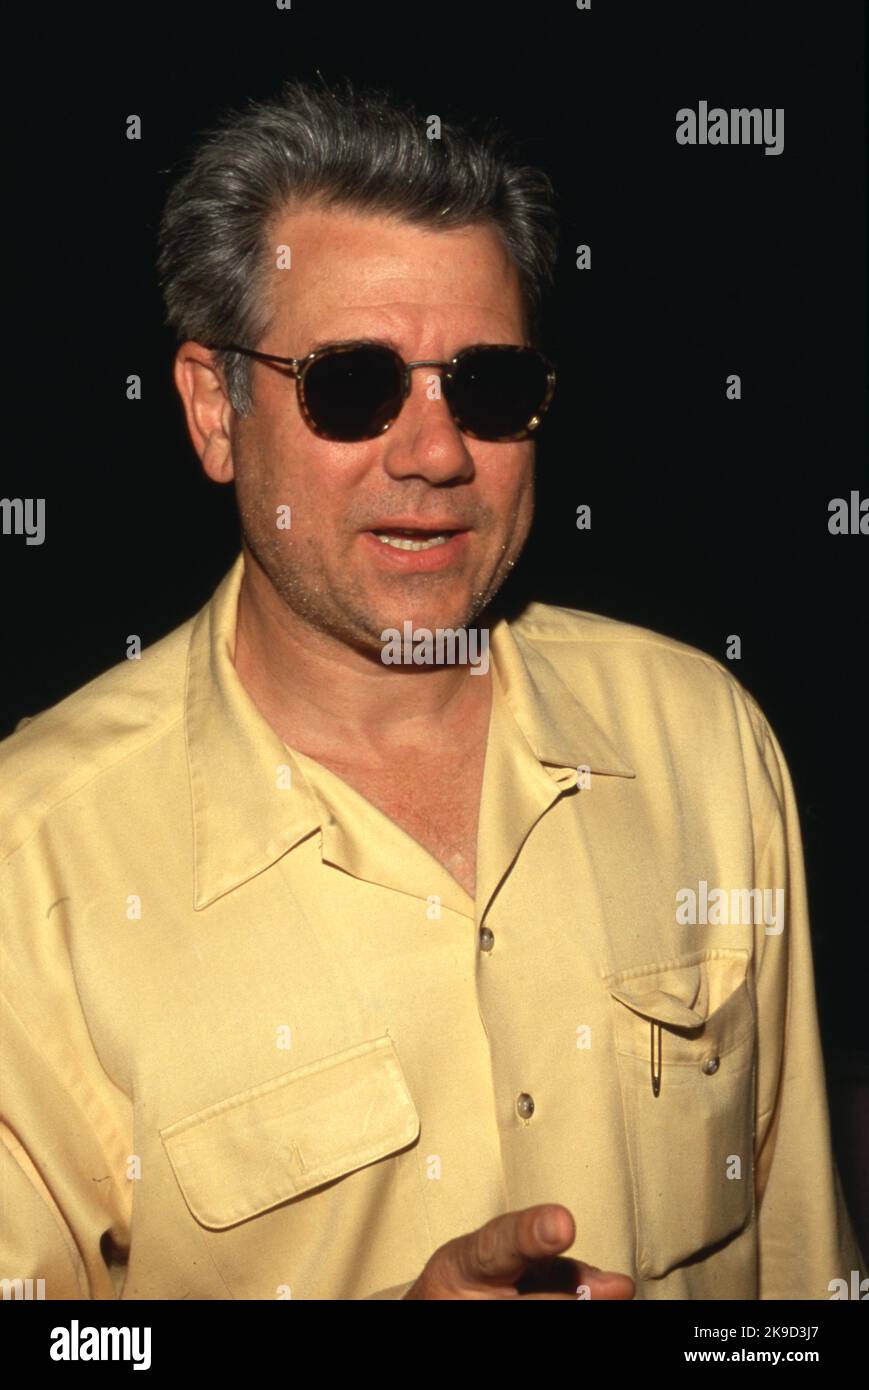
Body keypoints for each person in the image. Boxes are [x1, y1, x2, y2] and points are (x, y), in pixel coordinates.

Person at [0, 77, 863, 1302]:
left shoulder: (700, 741)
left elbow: (796, 1265)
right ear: (213, 409)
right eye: (353, 384)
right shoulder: (32, 863)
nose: (435, 450)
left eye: (488, 386)